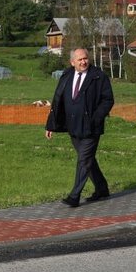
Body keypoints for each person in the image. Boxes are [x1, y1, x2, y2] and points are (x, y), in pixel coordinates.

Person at [45, 47, 114, 206]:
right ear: (72, 62)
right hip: (73, 126)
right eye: (80, 59)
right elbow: (57, 100)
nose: (83, 62)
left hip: (91, 128)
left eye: (85, 58)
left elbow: (108, 100)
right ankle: (102, 188)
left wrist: (96, 118)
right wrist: (50, 125)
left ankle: (74, 196)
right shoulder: (67, 75)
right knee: (88, 160)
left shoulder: (98, 76)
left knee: (84, 160)